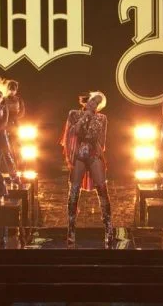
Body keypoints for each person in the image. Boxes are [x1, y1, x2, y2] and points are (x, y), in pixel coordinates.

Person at [61, 92, 112, 246]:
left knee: (102, 188)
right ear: (87, 100)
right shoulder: (74, 114)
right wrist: (86, 116)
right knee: (74, 189)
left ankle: (108, 227)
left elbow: (102, 140)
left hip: (94, 153)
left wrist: (100, 155)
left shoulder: (102, 118)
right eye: (92, 100)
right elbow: (75, 131)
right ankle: (71, 228)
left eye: (97, 103)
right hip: (80, 154)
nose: (93, 104)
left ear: (99, 106)